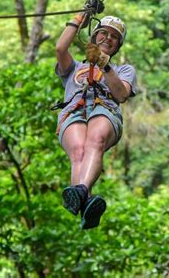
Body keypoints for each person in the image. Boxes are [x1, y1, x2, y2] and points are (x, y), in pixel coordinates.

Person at [54, 13, 137, 229]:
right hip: (74, 109)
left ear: (118, 45)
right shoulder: (73, 67)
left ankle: (80, 191)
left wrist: (104, 64)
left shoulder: (123, 70)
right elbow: (60, 48)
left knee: (96, 140)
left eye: (114, 37)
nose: (108, 38)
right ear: (94, 36)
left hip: (105, 108)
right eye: (103, 33)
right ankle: (86, 203)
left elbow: (121, 95)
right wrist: (81, 16)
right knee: (79, 152)